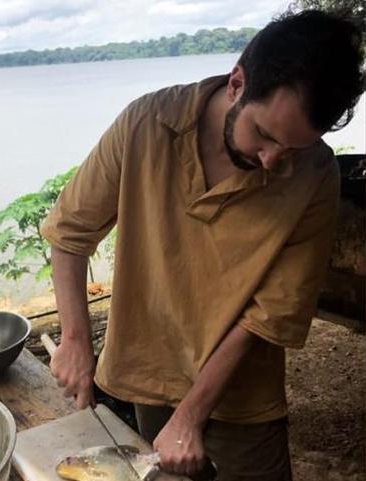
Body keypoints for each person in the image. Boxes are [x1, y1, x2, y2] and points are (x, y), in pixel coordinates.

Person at [40, 10, 364, 481]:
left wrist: (191, 415)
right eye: (265, 136)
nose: (273, 161)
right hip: (148, 370)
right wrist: (74, 341)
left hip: (242, 395)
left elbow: (268, 314)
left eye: (291, 148)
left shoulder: (315, 174)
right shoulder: (145, 124)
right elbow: (70, 233)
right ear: (237, 83)